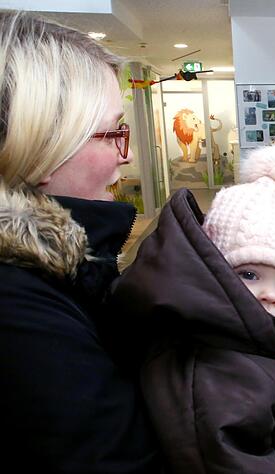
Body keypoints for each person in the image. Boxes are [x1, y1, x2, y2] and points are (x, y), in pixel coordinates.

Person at [108, 145, 275, 472]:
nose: (268, 294)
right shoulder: (219, 380)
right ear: (215, 275)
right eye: (248, 275)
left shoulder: (255, 342)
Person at [0, 11, 162, 472]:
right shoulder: (20, 313)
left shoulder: (60, 271)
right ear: (41, 147)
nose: (123, 158)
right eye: (113, 133)